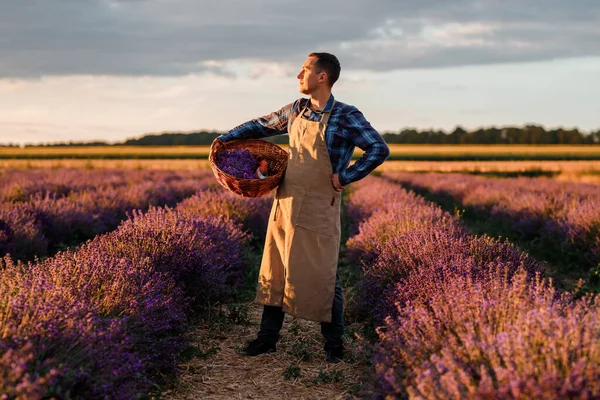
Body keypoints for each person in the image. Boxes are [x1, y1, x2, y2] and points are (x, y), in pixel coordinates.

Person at [212, 52, 390, 363]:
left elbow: (378, 148)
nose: (298, 75)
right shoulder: (296, 110)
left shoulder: (346, 116)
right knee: (276, 268)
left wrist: (345, 176)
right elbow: (262, 124)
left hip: (320, 205)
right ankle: (267, 339)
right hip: (287, 202)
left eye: (304, 70)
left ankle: (334, 346)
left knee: (323, 274)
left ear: (322, 77)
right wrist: (224, 139)